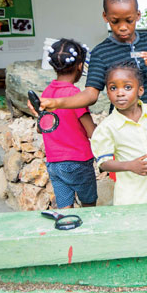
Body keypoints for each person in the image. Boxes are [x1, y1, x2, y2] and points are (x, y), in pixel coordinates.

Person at [36, 0, 147, 112]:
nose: (123, 27)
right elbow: (91, 95)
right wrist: (57, 103)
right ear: (105, 17)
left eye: (129, 20)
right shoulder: (100, 53)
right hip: (120, 125)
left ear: (138, 15)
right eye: (115, 21)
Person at [90, 60, 147, 205]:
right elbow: (103, 163)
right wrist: (130, 165)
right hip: (131, 197)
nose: (120, 93)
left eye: (127, 87)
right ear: (107, 93)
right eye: (113, 88)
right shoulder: (107, 128)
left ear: (140, 90)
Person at [41, 38, 97, 209]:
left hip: (54, 163)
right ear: (80, 66)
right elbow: (90, 131)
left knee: (65, 209)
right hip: (78, 161)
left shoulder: (47, 92)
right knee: (89, 206)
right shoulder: (75, 95)